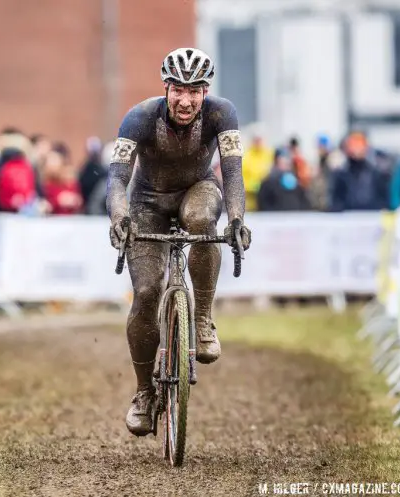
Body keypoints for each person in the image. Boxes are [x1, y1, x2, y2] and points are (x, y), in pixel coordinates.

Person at [106, 47, 251, 436]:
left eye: (195, 90)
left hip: (198, 189)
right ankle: (143, 393)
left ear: (206, 92)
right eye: (178, 90)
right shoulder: (139, 117)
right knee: (148, 292)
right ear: (165, 87)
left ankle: (202, 318)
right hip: (146, 201)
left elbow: (234, 174)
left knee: (203, 219)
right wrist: (120, 217)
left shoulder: (223, 114)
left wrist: (237, 218)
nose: (185, 100)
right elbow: (117, 179)